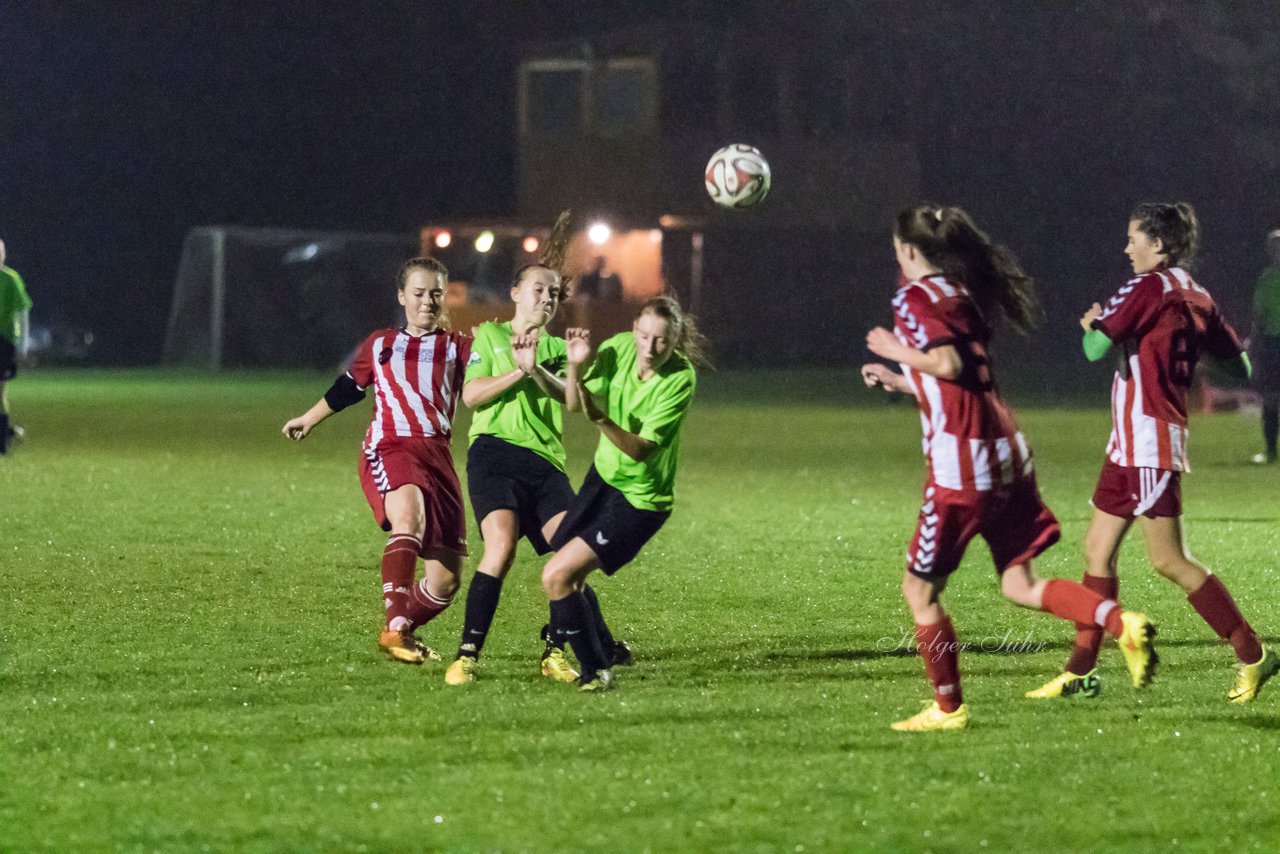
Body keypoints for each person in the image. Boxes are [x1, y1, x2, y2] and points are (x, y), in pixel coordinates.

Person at [861, 203, 1157, 733]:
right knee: (1018, 583)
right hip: (1005, 451)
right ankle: (1121, 621)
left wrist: (896, 348)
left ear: (907, 250)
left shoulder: (912, 297)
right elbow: (962, 375)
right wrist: (904, 380)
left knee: (919, 591)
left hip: (962, 466)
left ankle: (948, 709)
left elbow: (948, 364)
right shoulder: (959, 292)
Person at [1028, 203, 1277, 703]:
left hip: (1148, 440)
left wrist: (1092, 325)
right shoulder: (1198, 294)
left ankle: (1252, 652)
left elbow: (1094, 351)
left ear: (1159, 245)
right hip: (1130, 443)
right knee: (1097, 551)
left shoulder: (1146, 287)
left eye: (1133, 239)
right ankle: (1080, 672)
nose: (1127, 249)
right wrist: (1183, 355)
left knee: (1169, 560)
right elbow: (1243, 368)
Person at [282, 257, 472, 664]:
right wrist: (309, 419)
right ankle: (399, 626)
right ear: (402, 296)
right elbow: (350, 388)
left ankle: (396, 632)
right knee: (409, 518)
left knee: (446, 582)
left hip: (438, 457)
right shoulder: (382, 344)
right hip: (391, 446)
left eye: (435, 293)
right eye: (418, 293)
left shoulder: (458, 347)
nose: (427, 301)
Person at [540, 295, 702, 691]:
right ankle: (607, 652)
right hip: (604, 480)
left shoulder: (680, 378)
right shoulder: (617, 349)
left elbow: (640, 450)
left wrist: (599, 415)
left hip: (641, 501)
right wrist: (575, 365)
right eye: (644, 336)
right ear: (633, 330)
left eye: (661, 341)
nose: (649, 348)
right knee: (566, 569)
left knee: (558, 575)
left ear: (675, 340)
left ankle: (597, 669)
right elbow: (576, 403)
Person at [442, 263, 585, 685]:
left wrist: (537, 367)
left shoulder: (559, 348)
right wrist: (518, 370)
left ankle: (554, 651)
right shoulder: (490, 335)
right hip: (494, 455)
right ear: (516, 292)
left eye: (555, 293)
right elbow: (471, 395)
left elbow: (573, 399)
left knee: (571, 554)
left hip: (545, 463)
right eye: (539, 289)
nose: (547, 298)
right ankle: (467, 655)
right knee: (501, 548)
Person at [0, 239, 32, 455]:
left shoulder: (10, 279)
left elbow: (22, 313)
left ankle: (3, 441)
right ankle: (8, 433)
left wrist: (22, 345)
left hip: (4, 341)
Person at [1251, 229, 1280, 464]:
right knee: (1270, 398)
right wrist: (1255, 346)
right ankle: (1271, 452)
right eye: (1275, 247)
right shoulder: (1266, 279)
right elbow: (1260, 317)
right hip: (1273, 343)